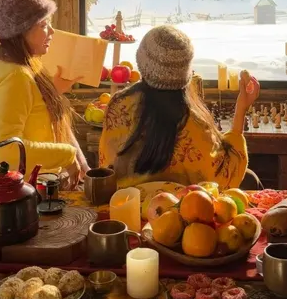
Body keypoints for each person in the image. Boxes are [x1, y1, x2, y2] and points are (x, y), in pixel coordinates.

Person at [99, 25, 259, 189]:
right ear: (186, 73)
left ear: (141, 63)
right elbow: (224, 177)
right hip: (184, 204)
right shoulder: (195, 124)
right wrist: (241, 109)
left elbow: (106, 167)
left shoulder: (118, 105)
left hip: (125, 202)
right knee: (251, 179)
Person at [0, 0, 89, 185]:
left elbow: (27, 112)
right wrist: (67, 155)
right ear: (22, 32)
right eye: (43, 25)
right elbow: (7, 151)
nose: (52, 31)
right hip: (24, 189)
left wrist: (53, 91)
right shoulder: (16, 76)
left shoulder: (2, 66)